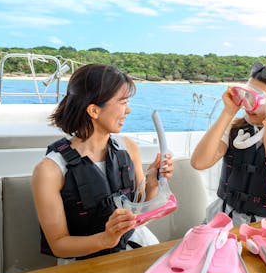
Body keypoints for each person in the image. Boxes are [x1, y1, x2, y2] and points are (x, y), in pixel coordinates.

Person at [32, 63, 173, 261]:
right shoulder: (49, 171)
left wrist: (152, 182)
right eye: (123, 102)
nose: (129, 110)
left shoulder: (129, 148)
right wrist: (105, 239)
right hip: (85, 264)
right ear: (94, 111)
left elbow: (141, 209)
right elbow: (58, 244)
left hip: (136, 247)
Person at [191, 62, 266, 225]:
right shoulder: (234, 129)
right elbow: (199, 162)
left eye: (256, 98)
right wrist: (228, 112)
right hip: (219, 222)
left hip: (263, 230)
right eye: (246, 96)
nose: (247, 105)